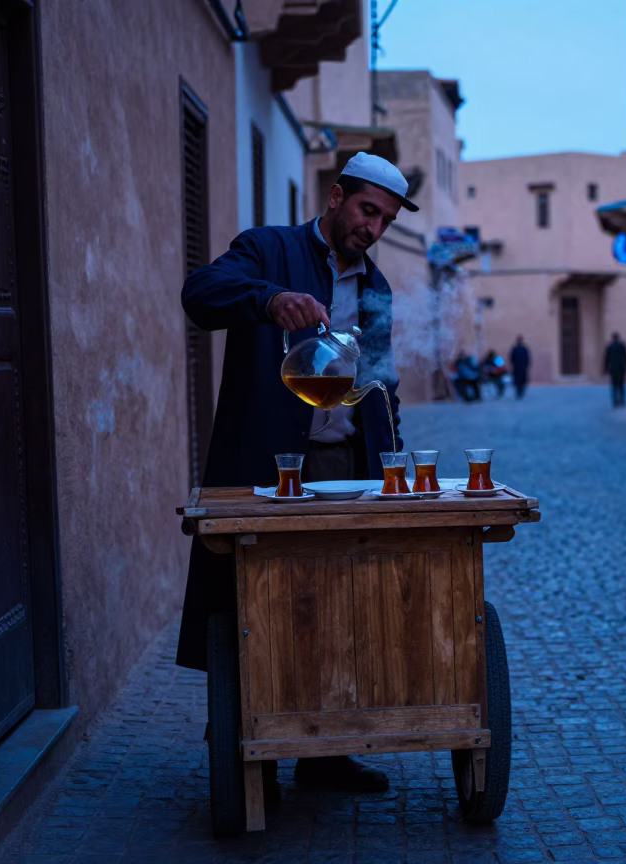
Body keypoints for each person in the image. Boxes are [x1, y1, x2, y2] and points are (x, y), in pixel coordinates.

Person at [178, 152, 417, 794]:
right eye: (368, 210)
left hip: (342, 464)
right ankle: (246, 742)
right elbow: (199, 296)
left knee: (340, 601)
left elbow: (381, 386)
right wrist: (269, 299)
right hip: (268, 460)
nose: (373, 229)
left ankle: (326, 753)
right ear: (336, 196)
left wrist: (396, 462)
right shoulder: (267, 249)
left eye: (386, 221)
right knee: (262, 598)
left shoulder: (376, 289)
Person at [603, 332, 626, 407]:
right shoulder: (622, 346)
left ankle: (615, 401)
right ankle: (622, 400)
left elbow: (606, 359)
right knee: (621, 385)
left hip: (613, 369)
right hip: (621, 368)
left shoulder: (610, 347)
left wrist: (605, 368)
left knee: (614, 385)